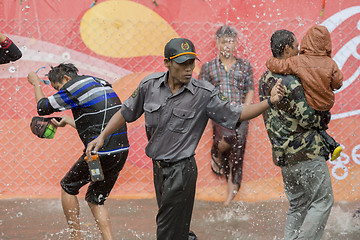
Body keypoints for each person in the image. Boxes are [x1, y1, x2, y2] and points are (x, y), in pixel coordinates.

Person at [86, 37, 285, 240]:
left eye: (191, 63)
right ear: (167, 63)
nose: (188, 69)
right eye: (182, 64)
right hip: (159, 169)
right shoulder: (149, 86)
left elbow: (238, 112)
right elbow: (125, 112)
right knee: (177, 229)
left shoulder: (204, 94)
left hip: (182, 172)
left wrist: (270, 101)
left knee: (166, 229)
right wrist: (102, 136)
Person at [27, 63, 129, 240]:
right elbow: (101, 124)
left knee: (68, 187)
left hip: (100, 151)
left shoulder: (73, 86)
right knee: (95, 199)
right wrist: (67, 120)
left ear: (66, 79)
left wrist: (36, 83)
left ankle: (75, 237)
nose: (60, 93)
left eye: (58, 88)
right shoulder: (98, 83)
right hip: (120, 150)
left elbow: (43, 107)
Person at [259, 29, 334, 240]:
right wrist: (324, 115)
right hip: (306, 152)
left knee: (297, 205)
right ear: (286, 49)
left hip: (283, 155)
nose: (299, 49)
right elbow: (308, 118)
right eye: (295, 46)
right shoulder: (292, 80)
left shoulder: (264, 77)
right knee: (322, 201)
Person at [266, 25, 343, 161]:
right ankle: (331, 144)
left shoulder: (299, 61)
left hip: (311, 105)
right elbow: (338, 83)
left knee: (313, 125)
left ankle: (330, 144)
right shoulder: (331, 63)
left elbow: (280, 65)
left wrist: (270, 61)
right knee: (320, 127)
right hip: (326, 107)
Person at [198, 25, 254, 205]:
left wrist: (245, 111)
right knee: (225, 141)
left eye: (231, 42)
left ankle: (228, 202)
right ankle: (217, 154)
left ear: (236, 43)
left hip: (241, 114)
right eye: (224, 42)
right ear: (217, 43)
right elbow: (202, 92)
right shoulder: (208, 68)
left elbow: (250, 90)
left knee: (238, 156)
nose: (227, 46)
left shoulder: (244, 66)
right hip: (220, 114)